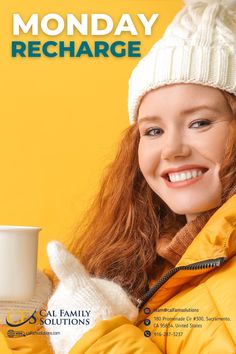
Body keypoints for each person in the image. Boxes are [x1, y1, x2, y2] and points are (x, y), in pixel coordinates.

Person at [1, 0, 236, 353]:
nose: (172, 149)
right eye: (152, 131)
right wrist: (31, 320)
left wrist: (98, 338)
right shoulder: (155, 265)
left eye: (199, 122)